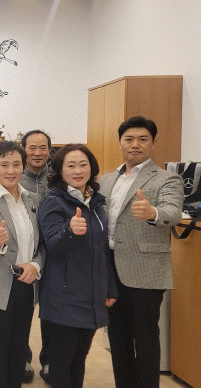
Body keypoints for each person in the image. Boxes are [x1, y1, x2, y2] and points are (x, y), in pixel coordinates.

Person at [99, 116, 184, 388]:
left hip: (146, 269)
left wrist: (152, 212)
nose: (135, 144)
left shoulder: (167, 178)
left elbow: (173, 212)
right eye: (129, 139)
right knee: (117, 336)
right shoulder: (106, 180)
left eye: (142, 139)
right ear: (120, 143)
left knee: (145, 336)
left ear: (153, 143)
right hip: (111, 267)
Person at [38, 143, 118, 388]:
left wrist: (110, 287)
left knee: (80, 357)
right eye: (70, 165)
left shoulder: (96, 202)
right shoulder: (53, 201)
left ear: (91, 168)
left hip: (91, 292)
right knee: (62, 359)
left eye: (83, 165)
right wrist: (70, 230)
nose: (77, 171)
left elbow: (103, 250)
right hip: (63, 294)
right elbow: (53, 246)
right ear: (60, 171)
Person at [0, 141, 44, 388]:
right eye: (4, 165)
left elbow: (42, 245)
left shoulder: (34, 199)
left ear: (24, 166)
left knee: (18, 352)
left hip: (27, 284)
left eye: (16, 164)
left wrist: (35, 265)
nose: (11, 170)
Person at [19, 129, 52, 383]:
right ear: (23, 150)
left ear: (50, 151)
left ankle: (50, 360)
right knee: (23, 309)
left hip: (56, 253)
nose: (37, 153)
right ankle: (23, 358)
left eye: (43, 148)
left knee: (52, 310)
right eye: (32, 147)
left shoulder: (58, 178)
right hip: (27, 254)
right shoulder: (15, 178)